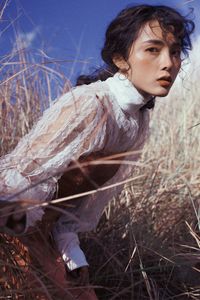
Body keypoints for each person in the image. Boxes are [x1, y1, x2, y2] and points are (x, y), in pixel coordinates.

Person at [0, 4, 195, 299]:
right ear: (120, 59)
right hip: (16, 231)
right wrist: (19, 249)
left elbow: (77, 207)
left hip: (47, 240)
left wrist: (71, 254)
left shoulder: (137, 123)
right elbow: (19, 179)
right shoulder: (90, 104)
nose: (168, 63)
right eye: (153, 50)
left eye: (175, 51)